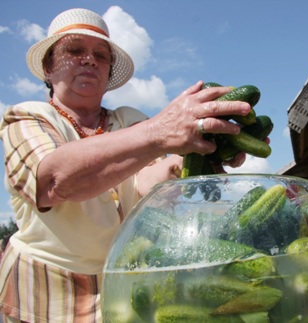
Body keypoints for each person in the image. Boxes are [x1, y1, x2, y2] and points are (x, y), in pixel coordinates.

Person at [0, 8, 252, 322]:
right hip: (45, 296)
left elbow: (149, 184)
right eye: (74, 50)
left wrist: (203, 155)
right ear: (49, 68)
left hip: (120, 287)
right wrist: (161, 130)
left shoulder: (128, 120)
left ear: (108, 71)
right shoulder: (26, 116)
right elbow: (55, 182)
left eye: (100, 55)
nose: (89, 60)